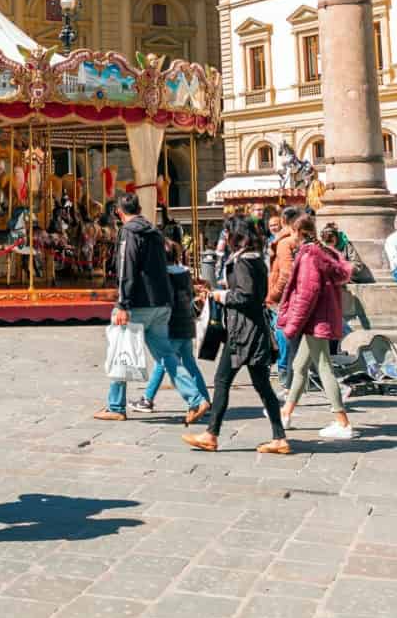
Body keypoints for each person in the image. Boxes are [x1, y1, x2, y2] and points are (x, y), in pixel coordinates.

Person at [184, 216, 289, 455]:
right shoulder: (253, 259)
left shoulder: (243, 262)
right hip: (253, 330)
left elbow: (245, 296)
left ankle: (211, 435)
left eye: (227, 233)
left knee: (223, 381)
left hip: (243, 332)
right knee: (262, 386)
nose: (225, 237)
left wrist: (221, 296)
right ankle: (279, 437)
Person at [92, 193, 182, 422]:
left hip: (138, 302)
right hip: (161, 302)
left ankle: (115, 406)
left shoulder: (129, 232)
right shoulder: (154, 231)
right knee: (167, 356)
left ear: (119, 213)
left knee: (119, 350)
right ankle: (196, 399)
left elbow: (127, 267)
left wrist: (123, 303)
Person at [278, 214, 355, 440]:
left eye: (290, 232)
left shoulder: (309, 255)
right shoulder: (322, 253)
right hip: (320, 318)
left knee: (323, 366)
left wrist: (292, 325)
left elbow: (306, 293)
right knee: (300, 366)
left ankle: (342, 422)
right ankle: (286, 412)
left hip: (316, 320)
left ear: (297, 232)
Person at [132, 228, 211, 424]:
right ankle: (205, 399)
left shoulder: (163, 276)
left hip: (172, 325)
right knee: (189, 364)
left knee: (164, 361)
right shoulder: (185, 273)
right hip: (187, 324)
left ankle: (148, 399)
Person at [266, 208, 300, 389]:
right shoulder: (293, 240)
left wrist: (274, 294)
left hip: (283, 297)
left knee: (282, 331)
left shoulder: (284, 243)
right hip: (293, 295)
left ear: (283, 222)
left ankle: (285, 373)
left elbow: (286, 273)